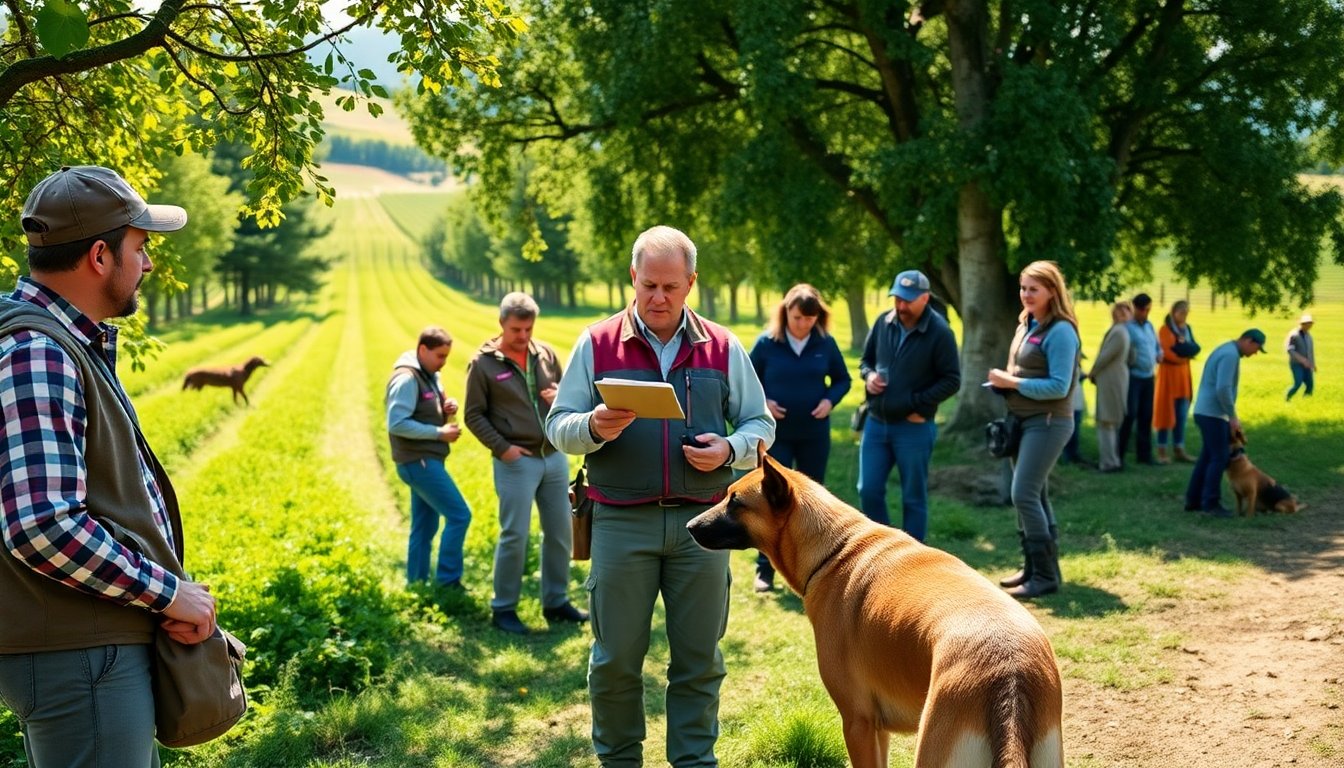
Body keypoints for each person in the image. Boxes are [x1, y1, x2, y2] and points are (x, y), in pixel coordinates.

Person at [0, 165, 217, 766]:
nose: (146, 264)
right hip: (80, 652)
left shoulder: (55, 342)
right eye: (140, 247)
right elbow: (42, 525)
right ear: (100, 255)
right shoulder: (39, 353)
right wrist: (168, 594)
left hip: (87, 643)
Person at [545, 225, 775, 767]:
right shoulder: (597, 343)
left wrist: (731, 449)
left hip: (704, 525)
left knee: (699, 660)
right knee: (616, 659)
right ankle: (620, 760)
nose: (658, 297)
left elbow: (760, 422)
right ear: (633, 277)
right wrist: (595, 427)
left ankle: (694, 761)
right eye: (649, 284)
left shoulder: (723, 346)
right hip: (621, 522)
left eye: (671, 287)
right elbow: (558, 426)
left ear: (691, 282)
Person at [463, 292, 587, 634]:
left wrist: (558, 396)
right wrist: (503, 448)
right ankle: (503, 608)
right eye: (517, 329)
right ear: (502, 323)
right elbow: (473, 415)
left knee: (561, 532)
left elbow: (569, 397)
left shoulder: (545, 354)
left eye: (529, 328)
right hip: (516, 461)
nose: (523, 336)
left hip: (553, 456)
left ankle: (556, 601)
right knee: (514, 535)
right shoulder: (483, 363)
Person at [748, 283, 851, 592]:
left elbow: (843, 380)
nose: (803, 324)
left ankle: (810, 565)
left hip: (814, 434)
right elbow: (747, 381)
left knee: (810, 501)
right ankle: (765, 569)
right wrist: (764, 401)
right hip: (777, 435)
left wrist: (829, 400)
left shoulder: (825, 343)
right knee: (769, 500)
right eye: (797, 318)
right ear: (785, 314)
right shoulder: (767, 343)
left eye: (810, 318)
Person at [988, 260, 1081, 599]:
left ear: (1052, 292)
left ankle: (1044, 576)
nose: (1026, 294)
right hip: (1022, 421)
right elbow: (1024, 374)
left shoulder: (1061, 331)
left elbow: (1059, 386)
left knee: (1023, 492)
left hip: (1049, 422)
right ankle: (1035, 567)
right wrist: (1003, 385)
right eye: (1023, 288)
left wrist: (1011, 381)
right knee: (1035, 494)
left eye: (1033, 289)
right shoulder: (1027, 324)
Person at [856, 269, 961, 541]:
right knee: (868, 489)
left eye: (908, 300)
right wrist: (869, 378)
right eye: (897, 298)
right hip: (876, 424)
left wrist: (918, 405)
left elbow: (952, 380)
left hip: (913, 428)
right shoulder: (883, 322)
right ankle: (882, 548)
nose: (901, 305)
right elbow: (865, 362)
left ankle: (914, 558)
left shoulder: (940, 332)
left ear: (924, 298)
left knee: (913, 496)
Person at [387, 326, 473, 589]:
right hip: (418, 462)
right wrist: (439, 433)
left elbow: (425, 406)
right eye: (440, 356)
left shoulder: (430, 374)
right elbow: (396, 423)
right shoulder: (407, 379)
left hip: (424, 461)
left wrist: (447, 407)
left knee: (424, 526)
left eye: (447, 356)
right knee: (460, 515)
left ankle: (416, 583)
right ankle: (448, 581)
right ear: (422, 350)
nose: (444, 362)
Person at [1185, 329, 1266, 517]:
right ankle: (1211, 503)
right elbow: (1223, 388)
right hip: (1213, 414)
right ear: (1248, 340)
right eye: (1256, 348)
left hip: (1205, 411)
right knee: (1220, 457)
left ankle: (1193, 500)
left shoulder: (1225, 349)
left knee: (1207, 457)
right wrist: (1232, 416)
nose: (1255, 353)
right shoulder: (1230, 355)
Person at [1117, 292, 1160, 466]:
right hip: (1133, 377)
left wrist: (1159, 354)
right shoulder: (1127, 327)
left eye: (1147, 309)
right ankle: (1118, 455)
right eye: (1141, 309)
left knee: (1146, 415)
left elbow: (1156, 346)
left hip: (1149, 377)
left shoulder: (1150, 326)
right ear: (1135, 308)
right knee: (1130, 415)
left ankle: (1144, 455)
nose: (1144, 312)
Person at [1089, 301, 1133, 473]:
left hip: (1111, 379)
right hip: (1114, 378)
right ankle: (1110, 460)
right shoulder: (1122, 331)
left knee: (1107, 421)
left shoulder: (1119, 332)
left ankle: (1109, 462)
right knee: (1109, 421)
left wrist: (1092, 372)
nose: (1121, 314)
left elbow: (1105, 357)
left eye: (1125, 311)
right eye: (1118, 310)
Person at [1155, 300, 1197, 463]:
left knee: (1181, 414)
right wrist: (1186, 354)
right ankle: (1162, 450)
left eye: (1187, 312)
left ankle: (1179, 448)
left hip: (1183, 378)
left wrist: (1184, 351)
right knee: (1166, 413)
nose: (1184, 315)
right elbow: (1168, 354)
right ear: (1173, 312)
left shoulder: (1187, 329)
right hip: (1168, 376)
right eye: (1181, 312)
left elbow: (1193, 346)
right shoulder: (1165, 330)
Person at [1285, 313, 1316, 401]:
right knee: (1298, 383)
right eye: (1307, 323)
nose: (1309, 325)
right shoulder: (1294, 335)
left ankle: (1306, 402)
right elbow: (1290, 350)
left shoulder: (1308, 336)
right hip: (1296, 364)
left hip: (1307, 365)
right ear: (1302, 324)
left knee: (1310, 385)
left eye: (1310, 323)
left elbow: (1311, 351)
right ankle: (1287, 398)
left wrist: (1313, 364)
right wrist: (1302, 360)